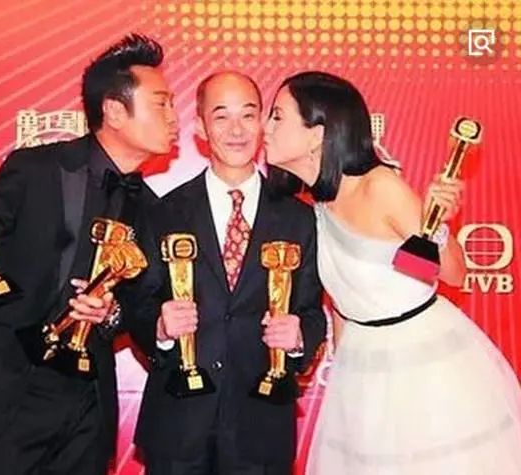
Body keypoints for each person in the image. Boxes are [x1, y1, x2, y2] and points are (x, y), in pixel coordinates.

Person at [263, 70, 521, 475]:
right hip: (363, 369)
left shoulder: (378, 188)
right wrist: (346, 381)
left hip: (424, 368)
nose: (266, 128)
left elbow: (452, 273)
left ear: (317, 133)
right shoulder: (318, 204)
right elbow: (344, 303)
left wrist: (435, 225)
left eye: (278, 116)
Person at [0, 33, 178, 475]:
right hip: (12, 390)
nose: (173, 117)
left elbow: (138, 305)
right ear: (114, 110)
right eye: (161, 103)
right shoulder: (35, 168)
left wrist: (109, 313)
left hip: (87, 400)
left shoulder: (150, 207)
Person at [123, 71, 327, 474]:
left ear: (263, 123)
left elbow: (311, 310)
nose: (236, 130)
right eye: (221, 116)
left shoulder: (300, 219)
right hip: (179, 425)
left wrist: (300, 336)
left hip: (261, 426)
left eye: (248, 115)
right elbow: (137, 304)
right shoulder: (163, 212)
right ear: (200, 127)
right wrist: (159, 328)